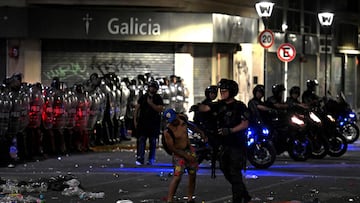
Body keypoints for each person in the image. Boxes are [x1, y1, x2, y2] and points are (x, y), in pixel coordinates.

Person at [200, 78, 252, 203]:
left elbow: (245, 123)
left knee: (234, 173)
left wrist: (230, 130)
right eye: (221, 91)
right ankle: (245, 195)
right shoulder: (219, 105)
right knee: (225, 169)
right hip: (223, 145)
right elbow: (206, 108)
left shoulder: (239, 106)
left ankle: (238, 199)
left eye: (224, 91)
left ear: (232, 92)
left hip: (236, 145)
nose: (222, 93)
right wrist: (199, 107)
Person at [163, 109, 198, 203]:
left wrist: (201, 133)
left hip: (188, 149)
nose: (175, 122)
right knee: (177, 176)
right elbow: (172, 148)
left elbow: (191, 126)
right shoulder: (168, 131)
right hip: (179, 153)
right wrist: (186, 156)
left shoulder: (183, 121)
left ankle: (190, 198)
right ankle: (170, 199)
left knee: (192, 174)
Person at [134, 80, 164, 165]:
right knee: (141, 140)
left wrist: (151, 104)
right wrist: (135, 120)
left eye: (154, 87)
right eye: (151, 87)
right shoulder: (143, 97)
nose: (152, 89)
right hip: (143, 123)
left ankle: (151, 159)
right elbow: (137, 109)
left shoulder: (158, 98)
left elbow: (160, 108)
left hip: (153, 123)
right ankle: (140, 158)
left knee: (153, 141)